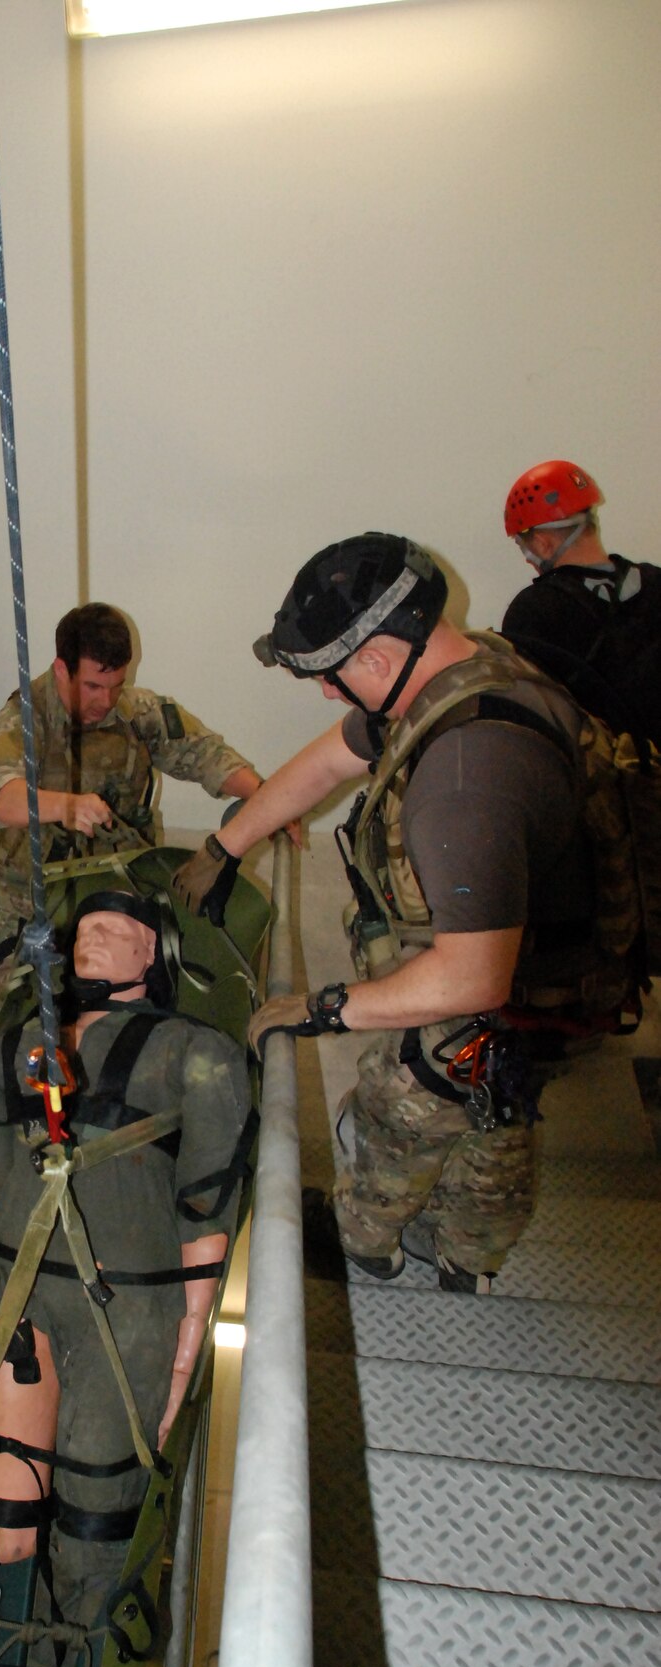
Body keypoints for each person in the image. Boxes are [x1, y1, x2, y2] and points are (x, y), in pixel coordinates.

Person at [178, 531, 623, 1295]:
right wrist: (226, 844)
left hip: (483, 994)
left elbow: (470, 979)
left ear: (378, 659)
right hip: (549, 975)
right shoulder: (466, 667)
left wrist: (322, 1010)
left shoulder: (461, 782)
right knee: (497, 1118)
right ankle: (465, 1261)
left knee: (399, 1108)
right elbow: (330, 756)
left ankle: (363, 1245)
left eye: (329, 675)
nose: (325, 692)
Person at [0, 892, 252, 1631]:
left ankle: (85, 1658)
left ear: (152, 956)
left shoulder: (198, 1054)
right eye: (83, 931)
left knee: (96, 1511)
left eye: (114, 931)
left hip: (132, 1305)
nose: (89, 941)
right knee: (7, 1521)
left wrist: (184, 1350)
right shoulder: (11, 1054)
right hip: (13, 1289)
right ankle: (11, 1642)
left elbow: (205, 1208)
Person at [0, 601, 266, 1030]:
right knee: (15, 1013)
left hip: (121, 880)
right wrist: (66, 806)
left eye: (116, 685)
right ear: (61, 670)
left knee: (189, 984)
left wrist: (266, 799)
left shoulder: (135, 712)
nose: (105, 701)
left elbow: (204, 754)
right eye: (92, 686)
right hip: (32, 895)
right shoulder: (23, 720)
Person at [500, 459, 661, 750]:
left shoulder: (533, 612)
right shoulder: (655, 581)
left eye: (523, 546)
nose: (526, 558)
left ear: (543, 543)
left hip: (615, 786)